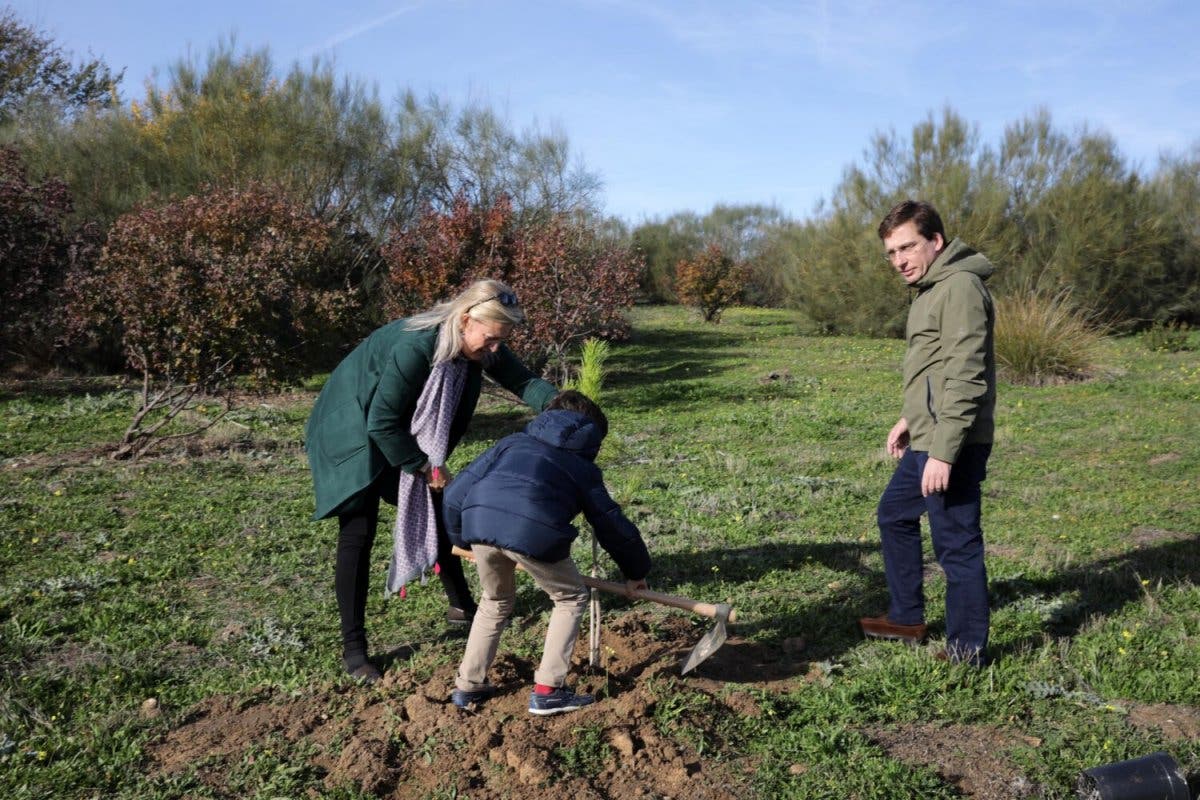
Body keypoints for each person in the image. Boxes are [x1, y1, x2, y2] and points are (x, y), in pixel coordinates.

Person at [305, 279, 557, 683]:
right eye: (491, 340)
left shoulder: (479, 341)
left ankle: (461, 606)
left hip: (393, 422)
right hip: (351, 425)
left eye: (500, 341)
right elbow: (382, 421)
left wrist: (569, 406)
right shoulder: (416, 346)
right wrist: (423, 465)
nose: (495, 350)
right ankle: (355, 651)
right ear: (464, 319)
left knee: (440, 506)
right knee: (358, 527)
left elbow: (524, 382)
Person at [443, 390, 651, 715]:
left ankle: (468, 687)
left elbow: (455, 494)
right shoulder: (582, 468)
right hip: (534, 533)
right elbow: (613, 527)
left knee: (494, 601)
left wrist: (463, 538)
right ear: (591, 435)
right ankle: (548, 690)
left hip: (480, 522)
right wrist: (636, 572)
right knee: (570, 599)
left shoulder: (510, 443)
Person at [859, 200, 996, 666]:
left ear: (936, 241)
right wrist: (910, 418)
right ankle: (906, 616)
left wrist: (943, 452)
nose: (899, 260)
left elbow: (966, 376)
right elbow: (934, 369)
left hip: (950, 444)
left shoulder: (959, 287)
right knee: (894, 514)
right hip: (928, 435)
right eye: (891, 252)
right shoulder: (929, 288)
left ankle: (966, 653)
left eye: (907, 247)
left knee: (956, 546)